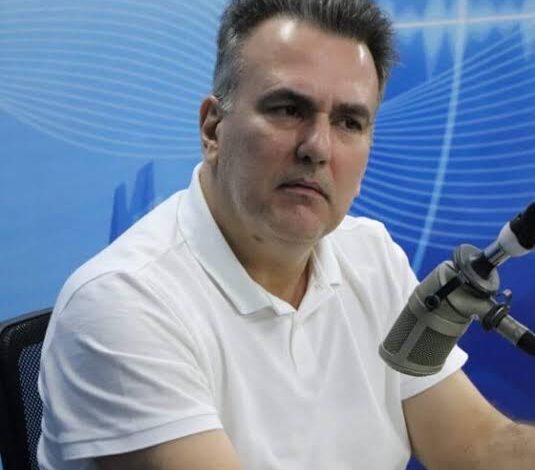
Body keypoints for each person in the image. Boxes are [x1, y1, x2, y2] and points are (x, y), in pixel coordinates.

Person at [38, 0, 535, 469]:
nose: (317, 147)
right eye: (287, 109)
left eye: (348, 122)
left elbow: (477, 446)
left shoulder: (370, 255)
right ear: (213, 129)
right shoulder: (120, 303)